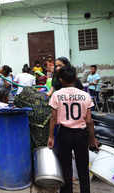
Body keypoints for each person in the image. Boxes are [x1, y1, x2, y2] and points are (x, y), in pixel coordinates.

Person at [47, 65, 98, 193]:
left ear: (61, 80)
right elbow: (89, 121)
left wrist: (51, 136)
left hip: (64, 133)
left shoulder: (56, 95)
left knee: (66, 168)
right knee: (83, 168)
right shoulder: (85, 95)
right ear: (75, 78)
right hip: (81, 134)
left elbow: (53, 118)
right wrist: (92, 138)